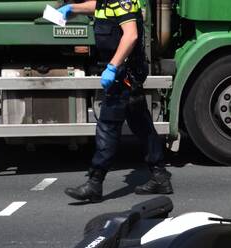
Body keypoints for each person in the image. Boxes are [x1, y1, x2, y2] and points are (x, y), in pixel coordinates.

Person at [60, 0, 173, 202]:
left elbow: (131, 35)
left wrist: (112, 67)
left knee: (107, 125)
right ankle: (160, 176)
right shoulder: (109, 0)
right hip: (125, 71)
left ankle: (95, 183)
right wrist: (73, 9)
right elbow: (100, 6)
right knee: (141, 123)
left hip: (123, 72)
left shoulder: (122, 0)